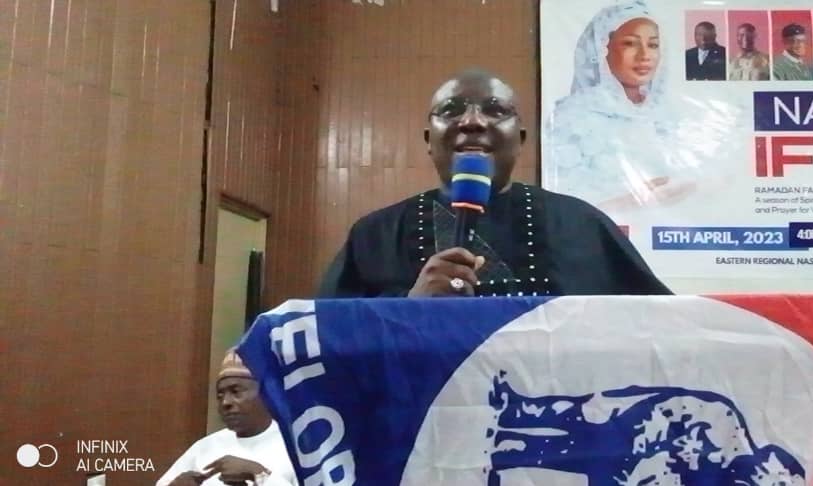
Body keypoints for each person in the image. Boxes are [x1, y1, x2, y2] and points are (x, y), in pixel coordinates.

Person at [319, 67, 672, 299]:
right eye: (451, 110)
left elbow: (662, 329)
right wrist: (409, 308)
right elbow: (326, 340)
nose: (472, 121)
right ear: (429, 139)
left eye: (495, 110)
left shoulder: (583, 226)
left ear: (521, 139)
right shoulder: (373, 236)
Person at [545, 0, 695, 213]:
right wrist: (633, 201)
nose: (644, 56)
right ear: (601, 49)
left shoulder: (669, 115)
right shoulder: (572, 118)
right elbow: (562, 206)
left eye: (653, 45)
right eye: (630, 43)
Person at [156, 350, 297, 486]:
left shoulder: (295, 446)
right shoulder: (205, 447)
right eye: (220, 395)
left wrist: (258, 473)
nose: (225, 402)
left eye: (236, 392)